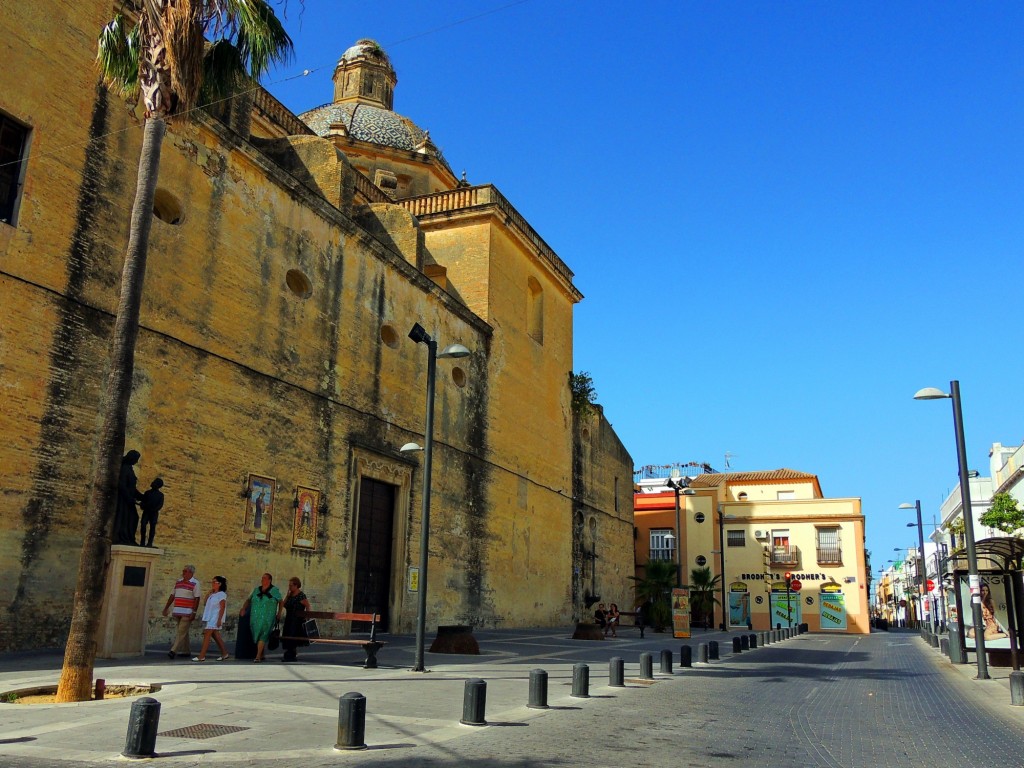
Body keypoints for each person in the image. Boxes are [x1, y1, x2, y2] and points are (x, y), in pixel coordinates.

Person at [240, 572, 281, 663]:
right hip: (255, 617)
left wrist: (279, 613)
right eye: (262, 578)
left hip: (268, 617)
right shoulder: (256, 590)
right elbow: (249, 600)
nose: (262, 580)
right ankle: (261, 654)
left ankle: (258, 656)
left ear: (269, 580)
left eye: (265, 578)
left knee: (263, 633)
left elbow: (281, 601)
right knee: (257, 633)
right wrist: (243, 608)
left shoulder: (274, 590)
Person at [162, 564, 201, 659]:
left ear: (191, 573)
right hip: (178, 610)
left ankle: (173, 650)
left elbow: (197, 598)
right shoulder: (178, 582)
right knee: (184, 631)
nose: (183, 573)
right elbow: (172, 595)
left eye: (185, 571)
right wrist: (166, 607)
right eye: (183, 571)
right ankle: (186, 650)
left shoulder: (195, 583)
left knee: (181, 631)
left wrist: (194, 612)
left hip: (187, 611)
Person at [193, 576, 230, 662]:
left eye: (214, 582)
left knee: (207, 634)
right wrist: (208, 594)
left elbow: (222, 607)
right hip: (210, 617)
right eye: (212, 582)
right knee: (215, 635)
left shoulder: (222, 594)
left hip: (215, 617)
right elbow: (205, 603)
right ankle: (224, 653)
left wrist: (219, 619)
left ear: (219, 584)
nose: (212, 584)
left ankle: (202, 655)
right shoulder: (213, 594)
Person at [113, 450, 144, 545]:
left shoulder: (129, 468)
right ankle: (123, 538)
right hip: (123, 500)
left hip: (128, 499)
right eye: (136, 459)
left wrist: (142, 497)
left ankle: (128, 539)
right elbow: (122, 485)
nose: (137, 461)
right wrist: (129, 498)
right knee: (129, 518)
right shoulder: (124, 468)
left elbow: (132, 488)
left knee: (132, 518)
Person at [278, 576, 311, 662]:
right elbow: (283, 604)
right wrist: (287, 596)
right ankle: (290, 652)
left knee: (293, 634)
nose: (289, 587)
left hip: (296, 621)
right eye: (289, 585)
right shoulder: (290, 595)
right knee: (287, 634)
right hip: (289, 619)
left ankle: (291, 653)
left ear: (296, 586)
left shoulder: (301, 595)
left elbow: (307, 605)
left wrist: (307, 616)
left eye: (291, 585)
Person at [139, 478, 164, 547]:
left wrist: (154, 509)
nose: (152, 483)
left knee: (152, 527)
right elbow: (143, 501)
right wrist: (143, 506)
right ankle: (142, 542)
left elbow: (160, 505)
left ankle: (150, 543)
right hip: (146, 512)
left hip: (154, 513)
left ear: (158, 485)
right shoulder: (147, 493)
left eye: (154, 482)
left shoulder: (160, 495)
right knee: (143, 525)